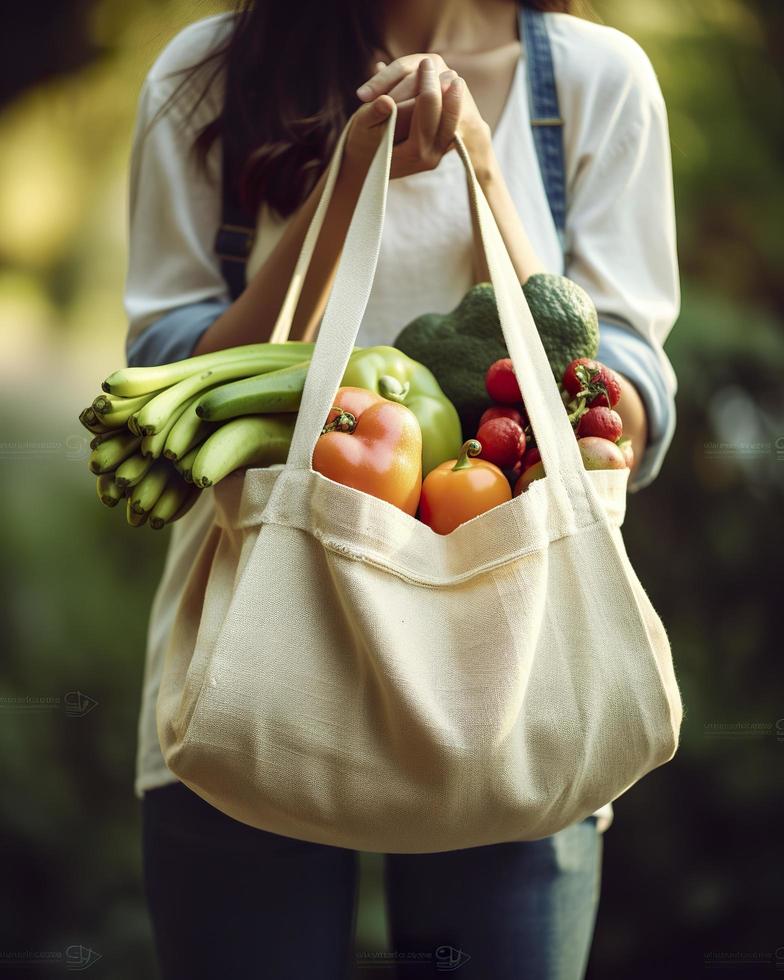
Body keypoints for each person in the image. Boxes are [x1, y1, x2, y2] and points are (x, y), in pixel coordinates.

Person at [125, 1, 680, 977]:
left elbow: (626, 415)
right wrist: (342, 193)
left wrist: (484, 163)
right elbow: (165, 382)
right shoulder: (205, 72)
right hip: (253, 652)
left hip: (512, 669)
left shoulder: (598, 83)